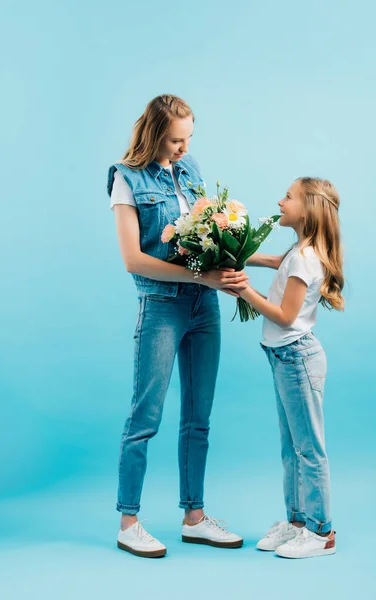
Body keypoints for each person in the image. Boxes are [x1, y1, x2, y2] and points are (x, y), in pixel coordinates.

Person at [107, 94, 245, 558]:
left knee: (198, 418)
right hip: (162, 306)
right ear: (153, 134)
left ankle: (195, 518)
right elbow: (134, 259)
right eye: (175, 140)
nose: (184, 148)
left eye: (188, 139)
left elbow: (209, 237)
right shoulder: (126, 179)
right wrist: (197, 275)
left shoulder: (191, 169)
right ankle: (129, 522)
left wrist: (254, 259)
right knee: (145, 417)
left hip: (204, 306)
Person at [234, 177, 344, 559]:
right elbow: (270, 262)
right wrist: (229, 252)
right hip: (285, 358)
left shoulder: (303, 257)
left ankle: (321, 532)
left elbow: (284, 316)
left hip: (296, 357)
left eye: (288, 197)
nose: (280, 202)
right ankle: (297, 522)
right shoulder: (298, 251)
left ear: (308, 208)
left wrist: (242, 289)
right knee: (291, 449)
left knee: (308, 448)